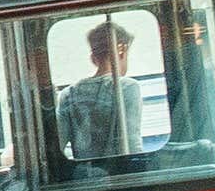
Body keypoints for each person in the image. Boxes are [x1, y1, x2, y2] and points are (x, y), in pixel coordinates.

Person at [51, 21, 146, 171]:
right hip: (120, 177)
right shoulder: (128, 88)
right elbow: (132, 143)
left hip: (85, 180)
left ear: (93, 58)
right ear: (121, 51)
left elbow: (57, 145)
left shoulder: (68, 94)